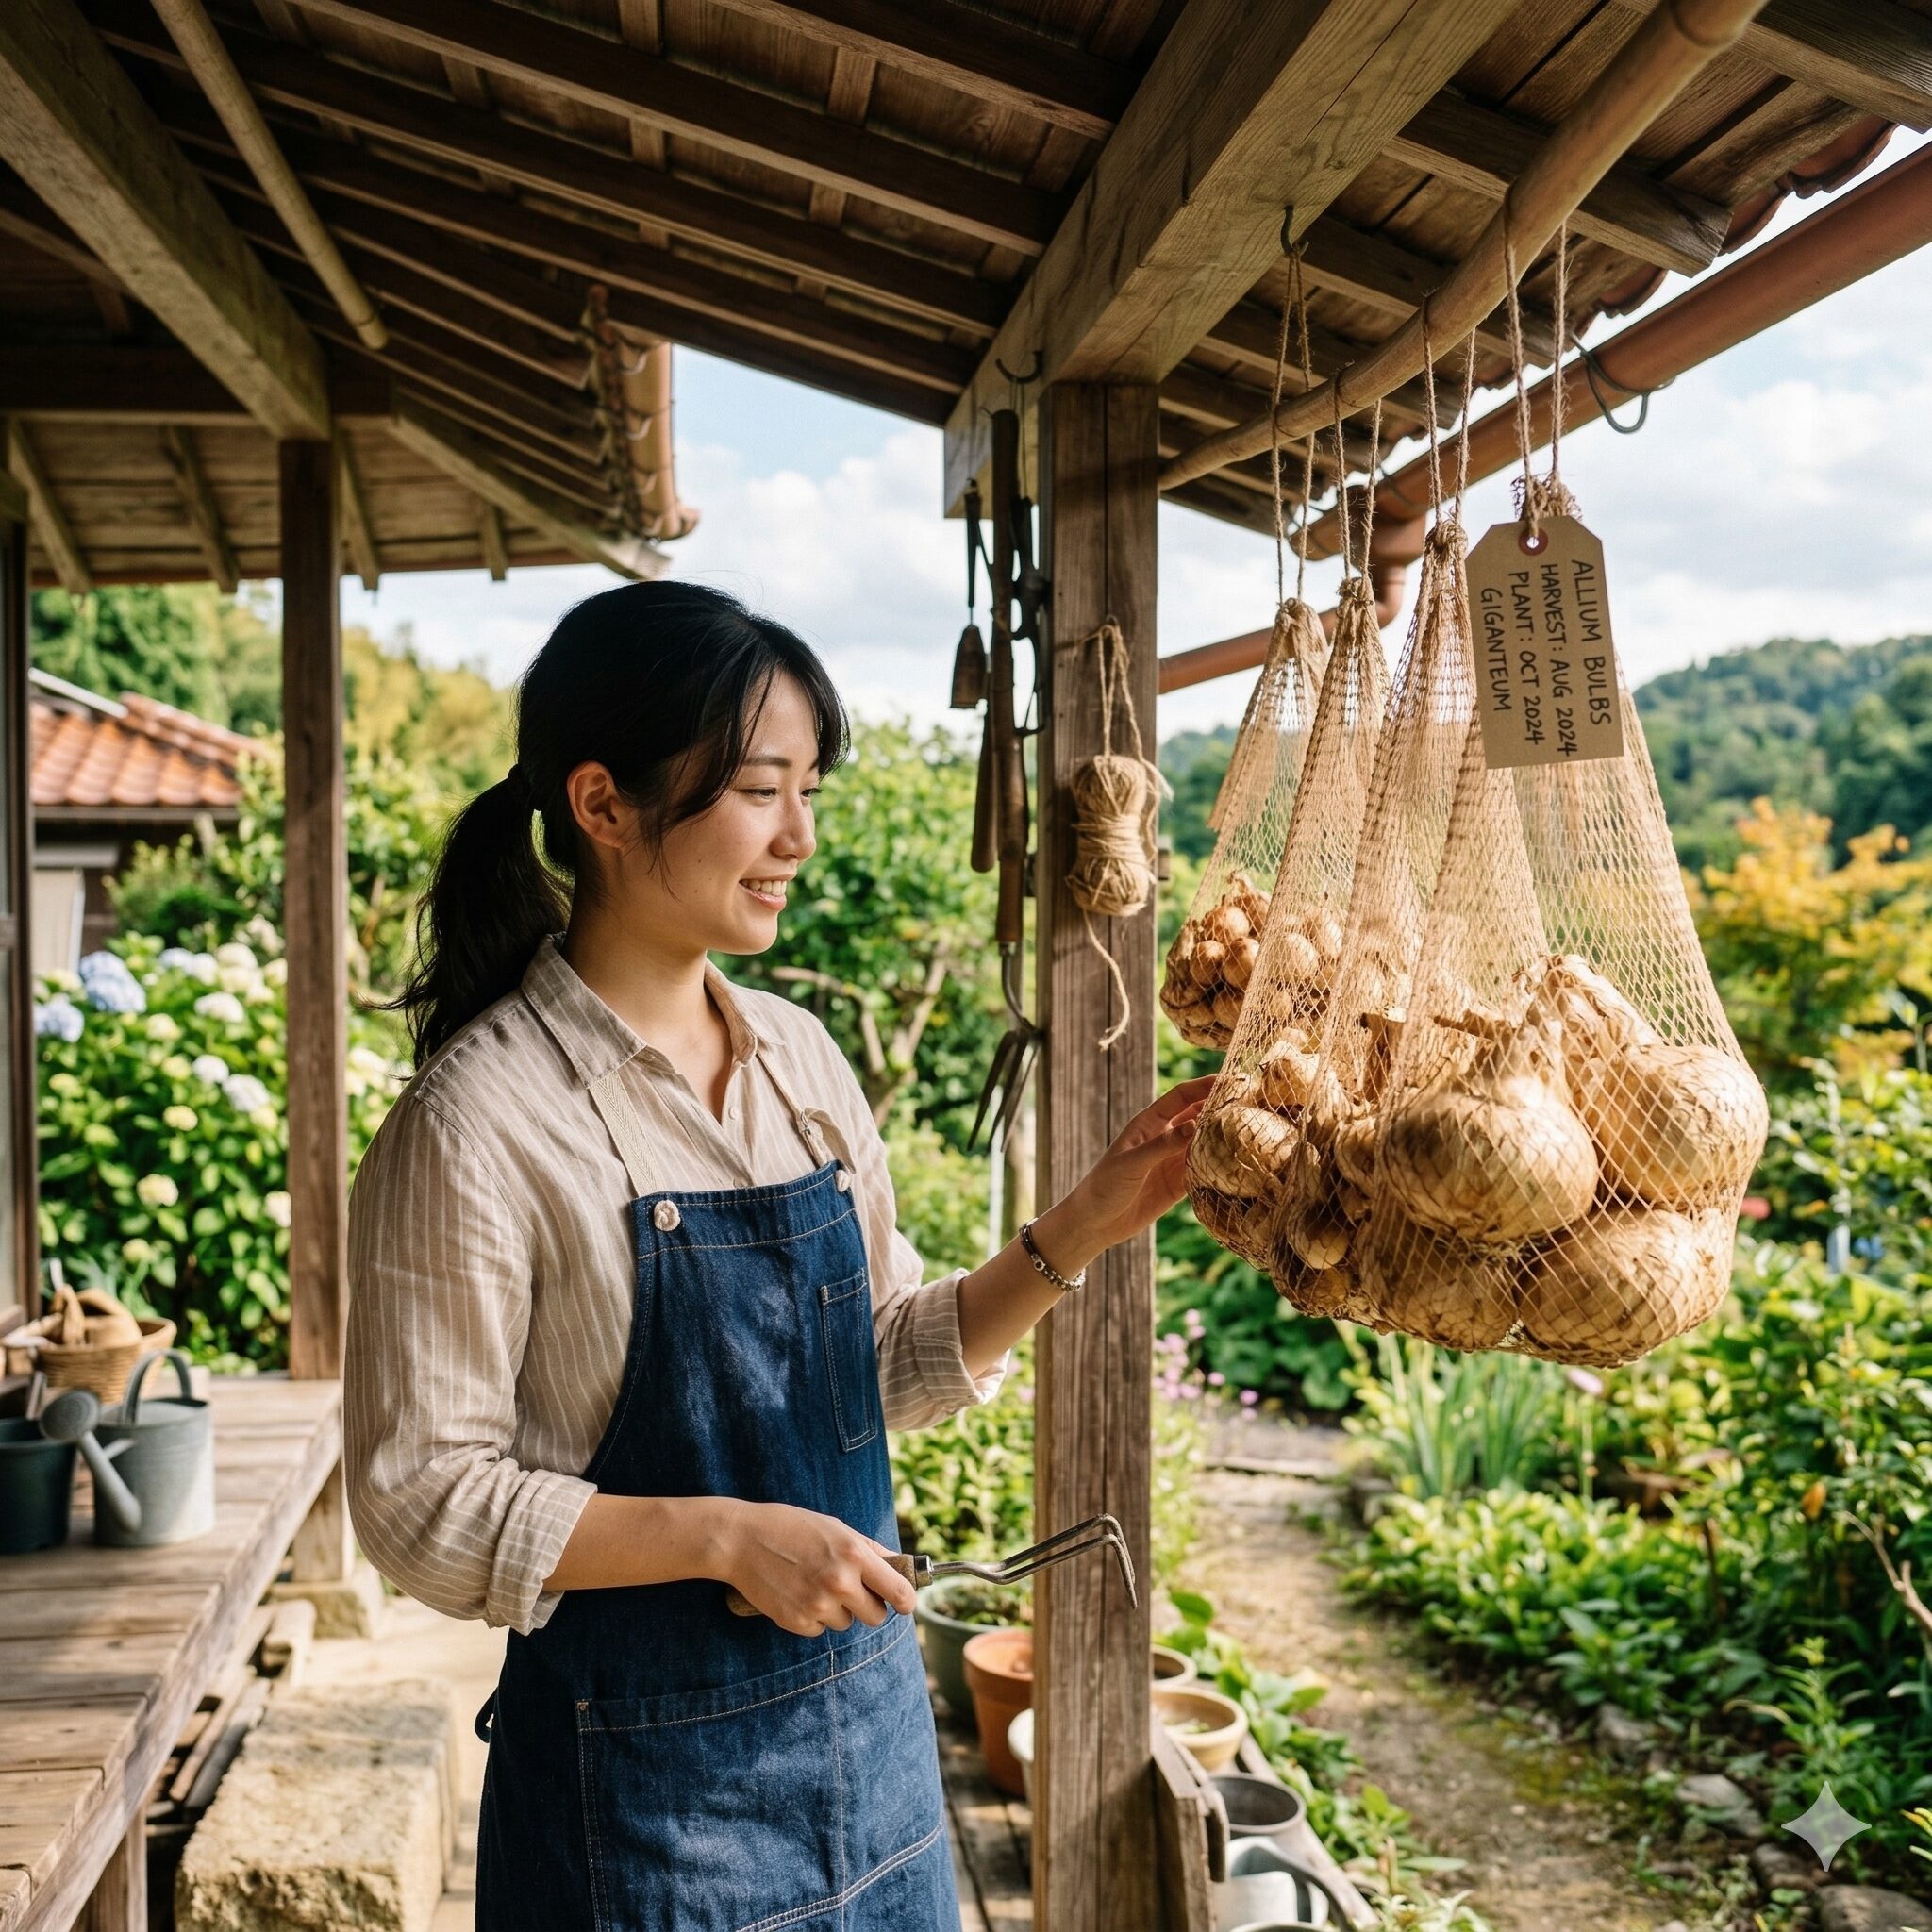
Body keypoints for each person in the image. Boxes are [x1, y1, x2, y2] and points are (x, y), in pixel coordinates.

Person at [344, 582, 1210, 1931]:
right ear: (602, 803)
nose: (799, 836)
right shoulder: (478, 1121)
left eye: (809, 790)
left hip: (874, 1766)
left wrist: (1087, 1219)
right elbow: (420, 1501)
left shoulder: (798, 1059)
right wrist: (724, 1539)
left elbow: (878, 1368)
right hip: (640, 1821)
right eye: (760, 790)